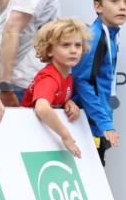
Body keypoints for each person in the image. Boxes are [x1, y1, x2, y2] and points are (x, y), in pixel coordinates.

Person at [71, 0, 126, 164]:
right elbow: (82, 81)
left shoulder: (111, 34)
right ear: (98, 7)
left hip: (97, 121)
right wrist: (104, 122)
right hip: (88, 124)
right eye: (114, 1)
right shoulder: (95, 37)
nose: (122, 7)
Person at [21, 18, 88, 158]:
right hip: (29, 137)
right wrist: (66, 136)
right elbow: (42, 108)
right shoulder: (49, 78)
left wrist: (68, 102)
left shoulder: (67, 77)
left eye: (78, 45)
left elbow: (55, 98)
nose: (73, 50)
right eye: (66, 45)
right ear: (49, 50)